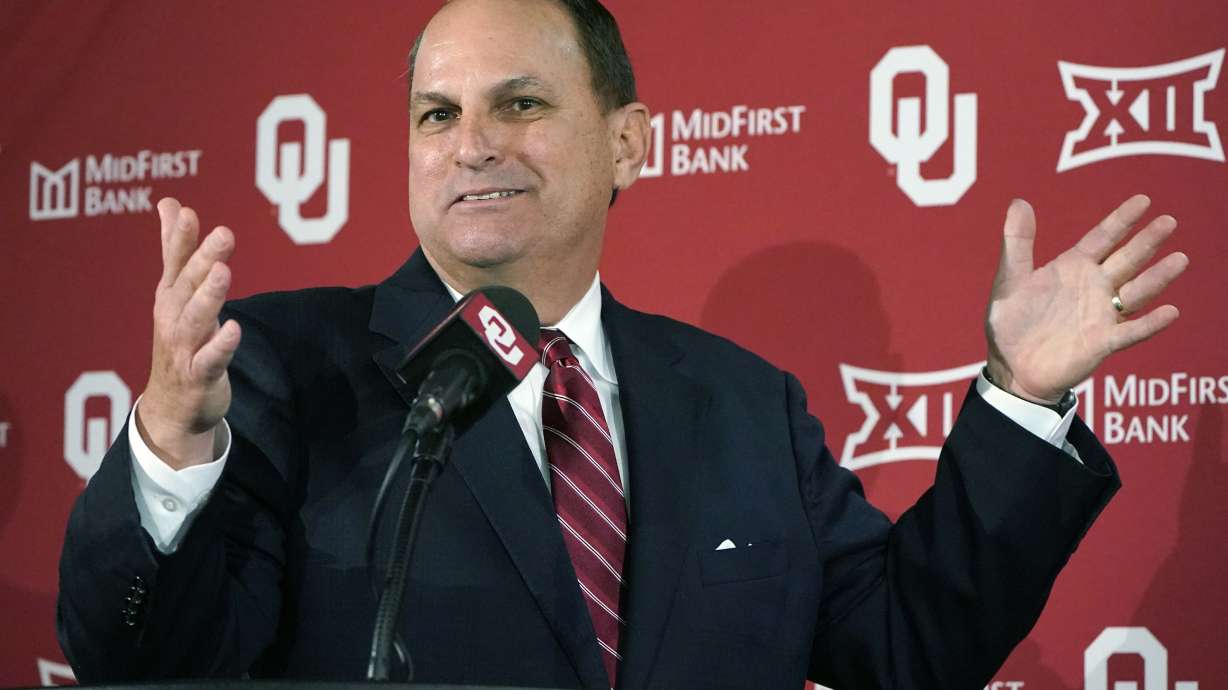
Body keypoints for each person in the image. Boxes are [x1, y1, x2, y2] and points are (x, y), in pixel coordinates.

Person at [57, 0, 1189, 688]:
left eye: (522, 104)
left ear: (629, 144)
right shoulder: (286, 366)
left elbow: (907, 651)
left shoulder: (744, 406)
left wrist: (1018, 401)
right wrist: (165, 451)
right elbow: (148, 666)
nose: (472, 144)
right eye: (437, 115)